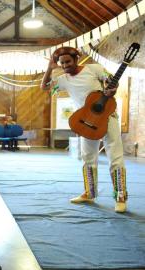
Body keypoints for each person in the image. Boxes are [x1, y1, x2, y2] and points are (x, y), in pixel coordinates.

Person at [40, 46, 127, 213]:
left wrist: (112, 88)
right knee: (88, 158)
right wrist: (49, 68)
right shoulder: (63, 79)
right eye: (62, 63)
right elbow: (44, 87)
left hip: (108, 117)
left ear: (76, 60)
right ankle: (89, 193)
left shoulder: (93, 69)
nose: (65, 65)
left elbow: (111, 81)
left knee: (115, 156)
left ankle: (120, 196)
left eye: (68, 62)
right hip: (85, 121)